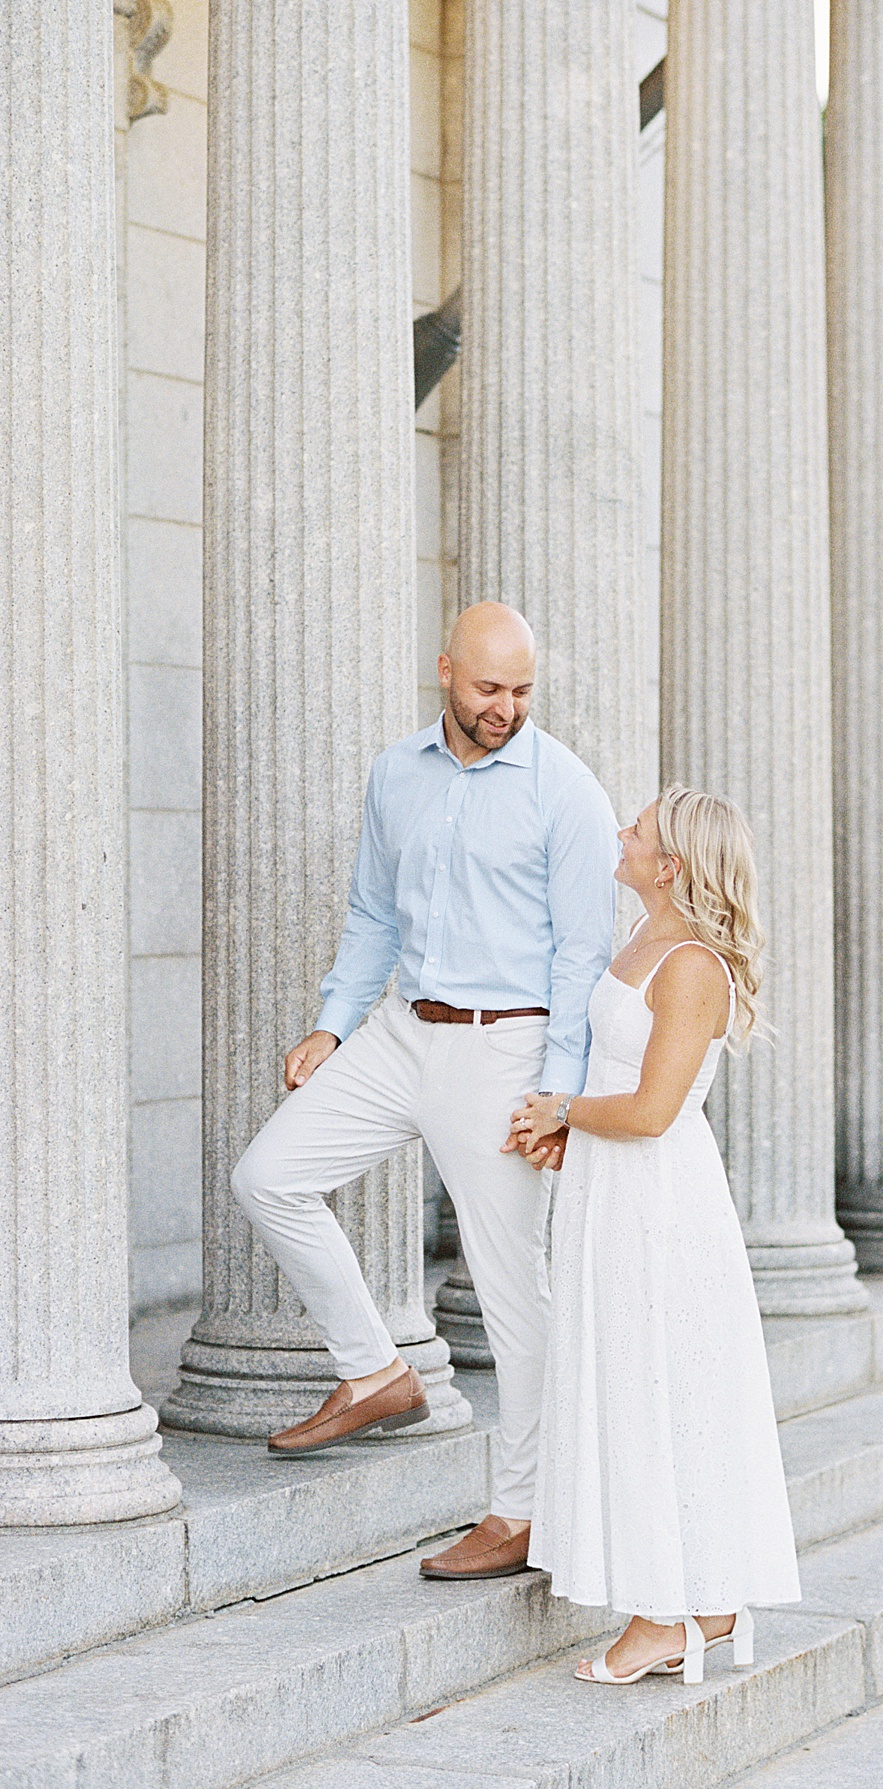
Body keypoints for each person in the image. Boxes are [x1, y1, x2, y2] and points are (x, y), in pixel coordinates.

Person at [230, 602, 619, 1581]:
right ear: (445, 670)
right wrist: (332, 1020)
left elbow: (584, 956)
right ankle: (376, 1370)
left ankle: (524, 1511)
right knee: (267, 1175)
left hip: (505, 1051)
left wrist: (559, 1097)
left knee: (510, 1297)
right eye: (490, 688)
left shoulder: (564, 790)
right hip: (402, 1029)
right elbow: (371, 910)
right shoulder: (396, 773)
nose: (508, 707)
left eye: (525, 689)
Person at [509, 785, 801, 1683]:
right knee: (636, 1381)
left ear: (669, 865)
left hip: (659, 1204)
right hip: (612, 1190)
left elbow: (651, 1109)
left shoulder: (692, 968)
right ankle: (702, 1606)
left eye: (636, 828)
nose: (621, 834)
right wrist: (572, 1128)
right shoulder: (641, 939)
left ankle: (662, 1615)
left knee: (651, 1388)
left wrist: (564, 1107)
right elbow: (616, 1078)